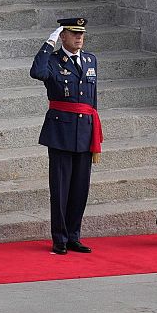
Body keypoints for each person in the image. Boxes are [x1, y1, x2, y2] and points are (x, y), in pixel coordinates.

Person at [32, 16, 100, 254]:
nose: (79, 37)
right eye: (74, 33)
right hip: (61, 131)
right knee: (60, 189)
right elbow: (37, 72)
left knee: (80, 188)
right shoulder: (51, 60)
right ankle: (59, 238)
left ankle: (74, 235)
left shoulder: (90, 60)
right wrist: (48, 43)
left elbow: (92, 98)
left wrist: (93, 130)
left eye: (81, 33)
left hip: (84, 131)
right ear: (63, 36)